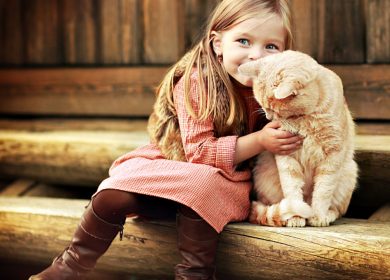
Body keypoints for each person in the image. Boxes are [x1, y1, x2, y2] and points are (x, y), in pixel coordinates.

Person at [29, 0, 302, 279]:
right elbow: (199, 153)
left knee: (203, 185)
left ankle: (193, 275)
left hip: (227, 180)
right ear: (218, 44)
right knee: (111, 193)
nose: (256, 55)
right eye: (243, 41)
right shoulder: (198, 81)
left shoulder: (278, 86)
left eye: (271, 47)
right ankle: (68, 268)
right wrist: (260, 141)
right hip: (178, 162)